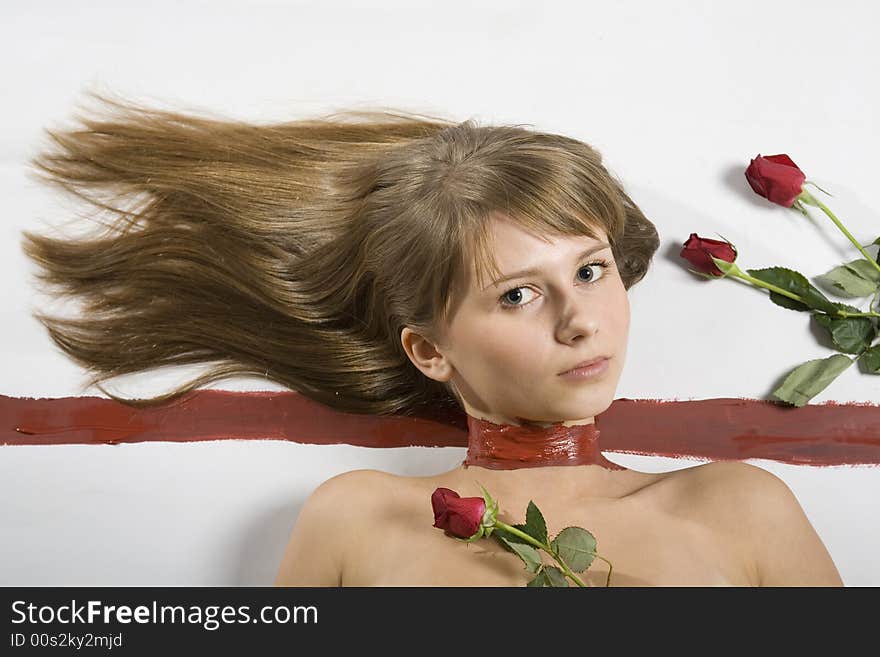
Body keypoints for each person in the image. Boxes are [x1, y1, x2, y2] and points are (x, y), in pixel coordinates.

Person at [21, 90, 843, 587]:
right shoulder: (355, 517)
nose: (579, 318)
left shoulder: (739, 506)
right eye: (519, 293)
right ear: (428, 350)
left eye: (591, 271)